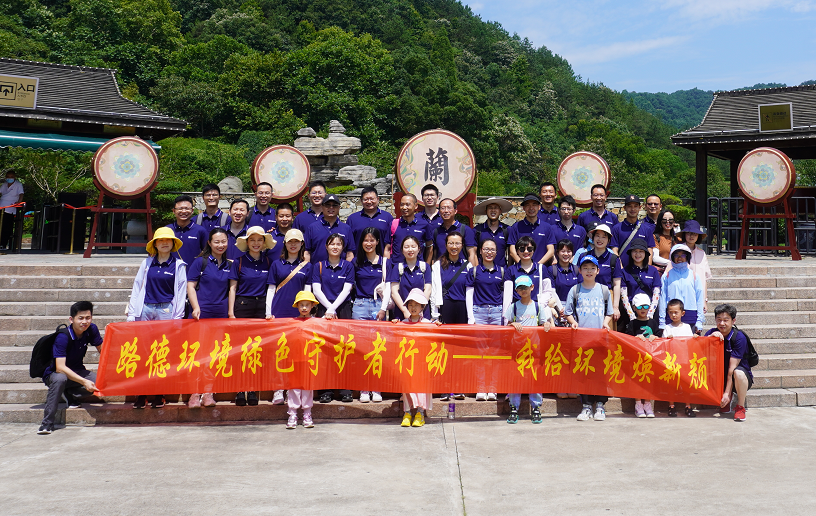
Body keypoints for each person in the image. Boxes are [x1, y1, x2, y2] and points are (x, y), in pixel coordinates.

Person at [127, 227, 187, 409]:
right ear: (155, 244)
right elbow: (137, 287)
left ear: (173, 243)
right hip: (146, 309)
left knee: (162, 352)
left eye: (168, 240)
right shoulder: (147, 263)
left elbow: (181, 292)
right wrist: (132, 313)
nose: (164, 243)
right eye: (160, 240)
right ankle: (142, 393)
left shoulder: (178, 265)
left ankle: (160, 393)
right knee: (144, 351)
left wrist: (178, 317)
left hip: (166, 310)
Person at [38, 301, 102, 435]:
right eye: (81, 318)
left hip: (77, 370)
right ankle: (47, 423)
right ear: (71, 319)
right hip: (55, 374)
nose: (84, 322)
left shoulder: (91, 329)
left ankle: (68, 392)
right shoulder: (63, 337)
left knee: (100, 382)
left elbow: (103, 351)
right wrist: (84, 381)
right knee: (60, 379)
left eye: (88, 318)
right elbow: (60, 368)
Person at [228, 226, 275, 407]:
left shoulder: (269, 262)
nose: (256, 243)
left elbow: (271, 288)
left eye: (259, 240)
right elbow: (232, 288)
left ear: (264, 243)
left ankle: (254, 389)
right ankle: (240, 389)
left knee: (257, 349)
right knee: (241, 349)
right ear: (247, 243)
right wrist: (231, 313)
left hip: (261, 307)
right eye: (252, 240)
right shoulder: (239, 262)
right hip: (243, 306)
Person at [185, 227, 232, 409]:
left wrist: (230, 313)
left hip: (220, 316)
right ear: (209, 243)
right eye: (217, 242)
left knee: (215, 355)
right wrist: (196, 307)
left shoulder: (229, 265)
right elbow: (190, 286)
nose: (220, 245)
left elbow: (231, 289)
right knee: (198, 354)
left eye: (223, 241)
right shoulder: (200, 262)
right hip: (201, 315)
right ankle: (194, 393)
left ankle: (208, 392)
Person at [565, 255, 614, 422]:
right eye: (585, 268)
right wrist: (573, 322)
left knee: (600, 372)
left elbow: (609, 312)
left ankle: (600, 405)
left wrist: (606, 323)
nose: (589, 271)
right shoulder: (575, 290)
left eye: (592, 268)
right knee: (584, 372)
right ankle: (586, 406)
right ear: (579, 270)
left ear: (598, 271)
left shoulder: (604, 290)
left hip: (600, 339)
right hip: (582, 339)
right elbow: (568, 312)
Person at [265, 228, 311, 405]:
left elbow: (307, 292)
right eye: (290, 241)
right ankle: (278, 389)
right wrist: (268, 312)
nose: (293, 245)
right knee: (278, 353)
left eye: (296, 242)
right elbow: (271, 289)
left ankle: (293, 388)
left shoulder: (307, 266)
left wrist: (307, 313)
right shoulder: (276, 264)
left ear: (301, 244)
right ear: (285, 244)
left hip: (299, 315)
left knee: (296, 354)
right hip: (279, 313)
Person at [466, 238, 512, 401]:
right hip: (478, 312)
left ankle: (493, 388)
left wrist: (505, 317)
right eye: (486, 249)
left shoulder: (502, 271)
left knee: (495, 353)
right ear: (480, 251)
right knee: (479, 353)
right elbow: (469, 295)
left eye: (492, 249)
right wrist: (471, 317)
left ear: (497, 252)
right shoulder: (474, 271)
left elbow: (507, 297)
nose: (489, 252)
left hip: (497, 313)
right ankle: (480, 388)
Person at [312, 233, 355, 403]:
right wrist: (328, 309)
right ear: (326, 246)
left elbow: (347, 289)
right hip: (323, 309)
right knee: (324, 350)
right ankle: (325, 390)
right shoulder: (318, 266)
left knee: (344, 349)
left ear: (343, 247)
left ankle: (345, 389)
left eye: (338, 244)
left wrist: (333, 308)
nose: (335, 247)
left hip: (343, 309)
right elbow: (316, 290)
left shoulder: (348, 266)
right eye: (332, 244)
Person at [505, 275, 552, 424]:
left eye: (525, 287)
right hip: (517, 349)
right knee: (515, 378)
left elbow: (545, 323)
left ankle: (536, 407)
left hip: (534, 349)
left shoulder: (538, 307)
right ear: (516, 291)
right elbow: (506, 326)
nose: (523, 290)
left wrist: (546, 325)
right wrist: (512, 325)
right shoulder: (513, 307)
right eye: (520, 288)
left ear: (532, 287)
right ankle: (514, 407)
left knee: (534, 378)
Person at [432, 231, 472, 402]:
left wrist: (471, 317)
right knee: (445, 351)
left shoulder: (468, 266)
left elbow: (470, 292)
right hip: (445, 308)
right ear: (446, 245)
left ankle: (460, 387)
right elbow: (434, 290)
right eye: (451, 243)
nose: (454, 247)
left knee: (461, 350)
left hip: (463, 309)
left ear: (462, 246)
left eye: (457, 243)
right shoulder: (437, 265)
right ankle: (445, 388)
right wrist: (435, 314)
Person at [392, 288, 439, 427]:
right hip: (407, 363)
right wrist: (394, 325)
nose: (413, 308)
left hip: (422, 363)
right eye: (410, 305)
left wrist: (438, 326)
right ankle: (407, 413)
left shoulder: (428, 323)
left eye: (416, 305)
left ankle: (420, 413)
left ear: (422, 307)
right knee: (407, 388)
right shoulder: (403, 323)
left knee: (422, 388)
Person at [353, 227, 387, 403]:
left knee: (378, 349)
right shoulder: (356, 262)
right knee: (361, 350)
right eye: (366, 240)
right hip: (359, 306)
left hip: (378, 307)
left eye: (372, 240)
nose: (369, 243)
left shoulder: (385, 262)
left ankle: (377, 388)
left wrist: (383, 308)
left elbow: (389, 287)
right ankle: (363, 389)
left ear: (377, 242)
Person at [706, 304, 753, 422]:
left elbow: (732, 369)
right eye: (719, 320)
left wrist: (726, 393)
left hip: (738, 377)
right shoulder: (712, 333)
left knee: (738, 373)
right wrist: (710, 339)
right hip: (720, 375)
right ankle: (724, 398)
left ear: (733, 321)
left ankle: (740, 407)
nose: (722, 323)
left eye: (726, 320)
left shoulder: (739, 337)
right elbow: (699, 352)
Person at [286, 290, 320, 429]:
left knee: (307, 387)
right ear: (297, 306)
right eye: (301, 305)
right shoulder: (291, 322)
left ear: (312, 306)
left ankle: (307, 413)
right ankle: (292, 413)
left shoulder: (317, 322)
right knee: (294, 387)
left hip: (309, 361)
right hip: (294, 360)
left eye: (307, 305)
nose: (304, 308)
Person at [578, 224, 622, 327]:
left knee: (607, 330)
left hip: (607, 299)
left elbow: (617, 284)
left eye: (604, 237)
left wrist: (615, 307)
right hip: (586, 298)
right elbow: (579, 280)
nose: (600, 239)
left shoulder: (613, 259)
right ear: (592, 238)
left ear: (608, 240)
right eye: (597, 236)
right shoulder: (584, 256)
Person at [658, 244, 704, 335]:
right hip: (672, 314)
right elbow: (662, 298)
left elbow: (699, 298)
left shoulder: (694, 275)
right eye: (676, 255)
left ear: (687, 257)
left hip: (690, 314)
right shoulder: (666, 276)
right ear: (672, 257)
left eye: (683, 255)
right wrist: (662, 321)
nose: (680, 258)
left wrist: (699, 321)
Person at [384, 235, 431, 321]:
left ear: (419, 249)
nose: (410, 249)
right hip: (402, 313)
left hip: (422, 313)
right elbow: (394, 292)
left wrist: (421, 309)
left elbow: (428, 290)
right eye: (406, 247)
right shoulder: (397, 268)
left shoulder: (425, 267)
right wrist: (405, 311)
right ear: (402, 250)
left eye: (413, 246)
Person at [626, 293, 658, 418]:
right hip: (636, 358)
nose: (643, 309)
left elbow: (659, 337)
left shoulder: (653, 322)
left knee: (648, 380)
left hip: (650, 358)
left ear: (650, 307)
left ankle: (647, 404)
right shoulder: (632, 323)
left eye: (645, 306)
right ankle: (638, 404)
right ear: (634, 308)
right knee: (637, 381)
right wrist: (635, 338)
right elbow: (627, 338)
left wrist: (655, 337)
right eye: (639, 307)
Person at [662, 298, 696, 418]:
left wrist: (695, 338)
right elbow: (663, 344)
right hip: (671, 361)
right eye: (671, 312)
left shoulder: (687, 327)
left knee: (686, 384)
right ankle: (671, 406)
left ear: (682, 313)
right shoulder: (667, 328)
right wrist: (668, 340)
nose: (673, 315)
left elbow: (690, 342)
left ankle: (688, 406)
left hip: (684, 360)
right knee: (671, 384)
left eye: (676, 312)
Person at [619, 238, 661, 333]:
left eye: (641, 251)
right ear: (630, 253)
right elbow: (624, 295)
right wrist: (631, 315)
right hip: (631, 312)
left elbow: (656, 293)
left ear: (646, 253)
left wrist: (650, 314)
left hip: (649, 312)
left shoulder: (653, 270)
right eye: (635, 251)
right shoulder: (624, 271)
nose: (638, 254)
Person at [672, 220, 712, 313]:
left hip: (698, 296)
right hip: (681, 295)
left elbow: (704, 279)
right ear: (684, 234)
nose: (692, 236)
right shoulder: (678, 251)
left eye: (695, 234)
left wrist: (705, 300)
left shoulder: (702, 253)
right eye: (689, 233)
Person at [304, 193, 354, 263]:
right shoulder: (312, 228)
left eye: (334, 205)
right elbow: (307, 252)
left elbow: (349, 253)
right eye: (327, 205)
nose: (331, 208)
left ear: (339, 207)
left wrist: (347, 268)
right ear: (322, 207)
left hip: (340, 269)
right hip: (317, 269)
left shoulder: (346, 228)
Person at [508, 194, 555, 265]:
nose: (531, 208)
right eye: (527, 205)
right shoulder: (516, 227)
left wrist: (537, 266)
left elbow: (551, 251)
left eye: (534, 205)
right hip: (521, 269)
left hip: (542, 268)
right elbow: (512, 251)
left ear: (539, 207)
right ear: (523, 208)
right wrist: (523, 265)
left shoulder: (547, 227)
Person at [428, 198, 477, 265]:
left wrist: (471, 270)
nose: (446, 211)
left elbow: (471, 254)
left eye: (449, 208)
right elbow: (434, 256)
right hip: (442, 269)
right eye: (443, 208)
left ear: (455, 211)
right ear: (439, 211)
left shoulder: (465, 230)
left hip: (461, 269)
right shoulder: (436, 231)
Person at [347, 187, 393, 258]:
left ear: (377, 199)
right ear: (361, 201)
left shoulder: (387, 217)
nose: (369, 202)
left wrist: (386, 261)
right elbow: (349, 245)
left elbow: (390, 243)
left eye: (372, 199)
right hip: (358, 261)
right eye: (366, 199)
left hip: (380, 261)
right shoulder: (352, 219)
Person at [611, 195, 655, 268]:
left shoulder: (647, 229)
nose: (633, 209)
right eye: (629, 206)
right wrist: (620, 268)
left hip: (641, 271)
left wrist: (647, 269)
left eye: (635, 206)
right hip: (622, 270)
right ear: (624, 208)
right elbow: (614, 250)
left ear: (640, 208)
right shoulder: (616, 228)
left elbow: (649, 250)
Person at [545, 239, 581, 327]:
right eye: (563, 251)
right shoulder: (551, 269)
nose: (566, 254)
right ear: (557, 253)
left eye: (569, 251)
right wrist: (562, 309)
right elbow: (552, 291)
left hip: (574, 309)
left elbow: (580, 290)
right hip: (557, 309)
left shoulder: (577, 269)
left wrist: (568, 309)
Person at [166, 194, 208, 266]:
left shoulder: (200, 231)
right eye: (180, 208)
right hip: (171, 271)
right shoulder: (167, 230)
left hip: (194, 271)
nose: (183, 211)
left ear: (192, 211)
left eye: (187, 208)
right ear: (174, 211)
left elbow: (207, 253)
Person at [390, 193, 433, 263]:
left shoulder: (424, 225)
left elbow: (430, 247)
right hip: (397, 266)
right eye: (402, 204)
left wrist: (426, 266)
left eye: (407, 204)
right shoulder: (394, 224)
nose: (404, 207)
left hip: (417, 267)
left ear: (415, 206)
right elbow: (387, 248)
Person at [473, 197, 512, 267]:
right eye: (490, 208)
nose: (493, 210)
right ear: (486, 211)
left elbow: (511, 252)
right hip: (482, 270)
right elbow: (473, 253)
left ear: (500, 211)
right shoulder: (477, 230)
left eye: (496, 208)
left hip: (502, 271)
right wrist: (477, 269)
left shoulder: (507, 230)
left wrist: (509, 269)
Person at [0, 169, 23, 250]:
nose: (9, 178)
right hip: (1, 205)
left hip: (10, 207)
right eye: (8, 177)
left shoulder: (18, 185)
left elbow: (21, 194)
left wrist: (18, 202)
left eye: (11, 177)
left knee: (6, 226)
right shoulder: (4, 184)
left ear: (14, 177)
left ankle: (3, 244)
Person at [651, 209, 678, 274]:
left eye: (670, 220)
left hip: (675, 273)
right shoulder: (655, 237)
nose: (667, 222)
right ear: (660, 222)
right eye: (664, 220)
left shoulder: (677, 239)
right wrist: (673, 263)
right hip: (661, 273)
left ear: (674, 222)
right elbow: (655, 258)